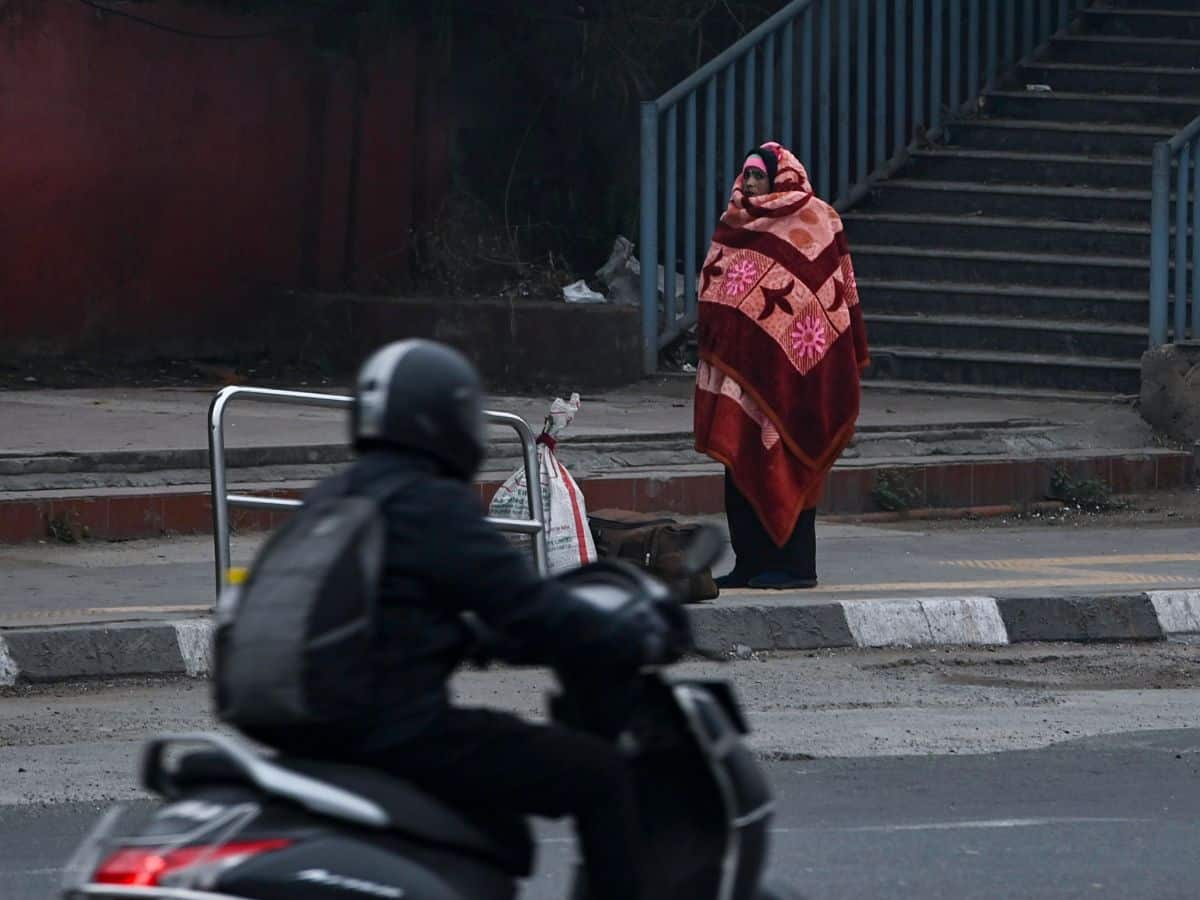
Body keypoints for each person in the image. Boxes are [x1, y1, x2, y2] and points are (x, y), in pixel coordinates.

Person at [260, 338, 672, 900]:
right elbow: (530, 606)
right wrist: (628, 632)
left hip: (301, 733)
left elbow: (390, 610)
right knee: (600, 775)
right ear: (446, 422)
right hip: (393, 735)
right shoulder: (429, 503)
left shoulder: (331, 498)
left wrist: (467, 637)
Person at [694, 142, 870, 590]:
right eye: (747, 175)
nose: (750, 183)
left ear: (780, 177)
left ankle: (795, 567)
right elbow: (717, 289)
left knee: (791, 458)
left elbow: (837, 295)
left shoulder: (819, 220)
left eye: (758, 175)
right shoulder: (735, 224)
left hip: (802, 374)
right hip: (743, 374)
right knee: (740, 465)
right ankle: (750, 563)